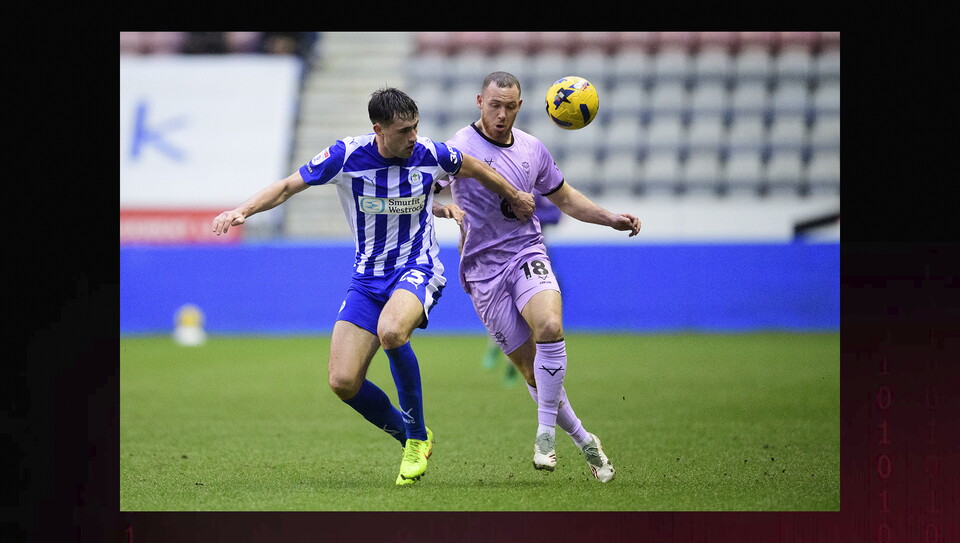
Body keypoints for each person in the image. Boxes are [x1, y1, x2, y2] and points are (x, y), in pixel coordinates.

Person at [212, 87, 535, 486]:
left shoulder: (430, 154)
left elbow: (473, 166)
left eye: (416, 127)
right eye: (404, 131)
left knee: (392, 330)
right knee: (343, 381)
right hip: (367, 279)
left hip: (418, 267)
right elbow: (287, 186)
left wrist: (514, 194)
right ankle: (409, 434)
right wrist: (242, 209)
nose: (413, 137)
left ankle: (416, 438)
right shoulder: (346, 156)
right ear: (378, 130)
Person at [438, 72, 641, 482]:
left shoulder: (532, 148)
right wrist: (443, 210)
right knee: (532, 373)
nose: (501, 114)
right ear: (480, 102)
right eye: (494, 105)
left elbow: (565, 199)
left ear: (521, 106)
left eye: (510, 107)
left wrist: (610, 219)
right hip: (482, 271)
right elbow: (422, 188)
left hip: (526, 251)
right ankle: (585, 440)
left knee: (550, 325)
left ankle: (544, 433)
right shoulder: (458, 148)